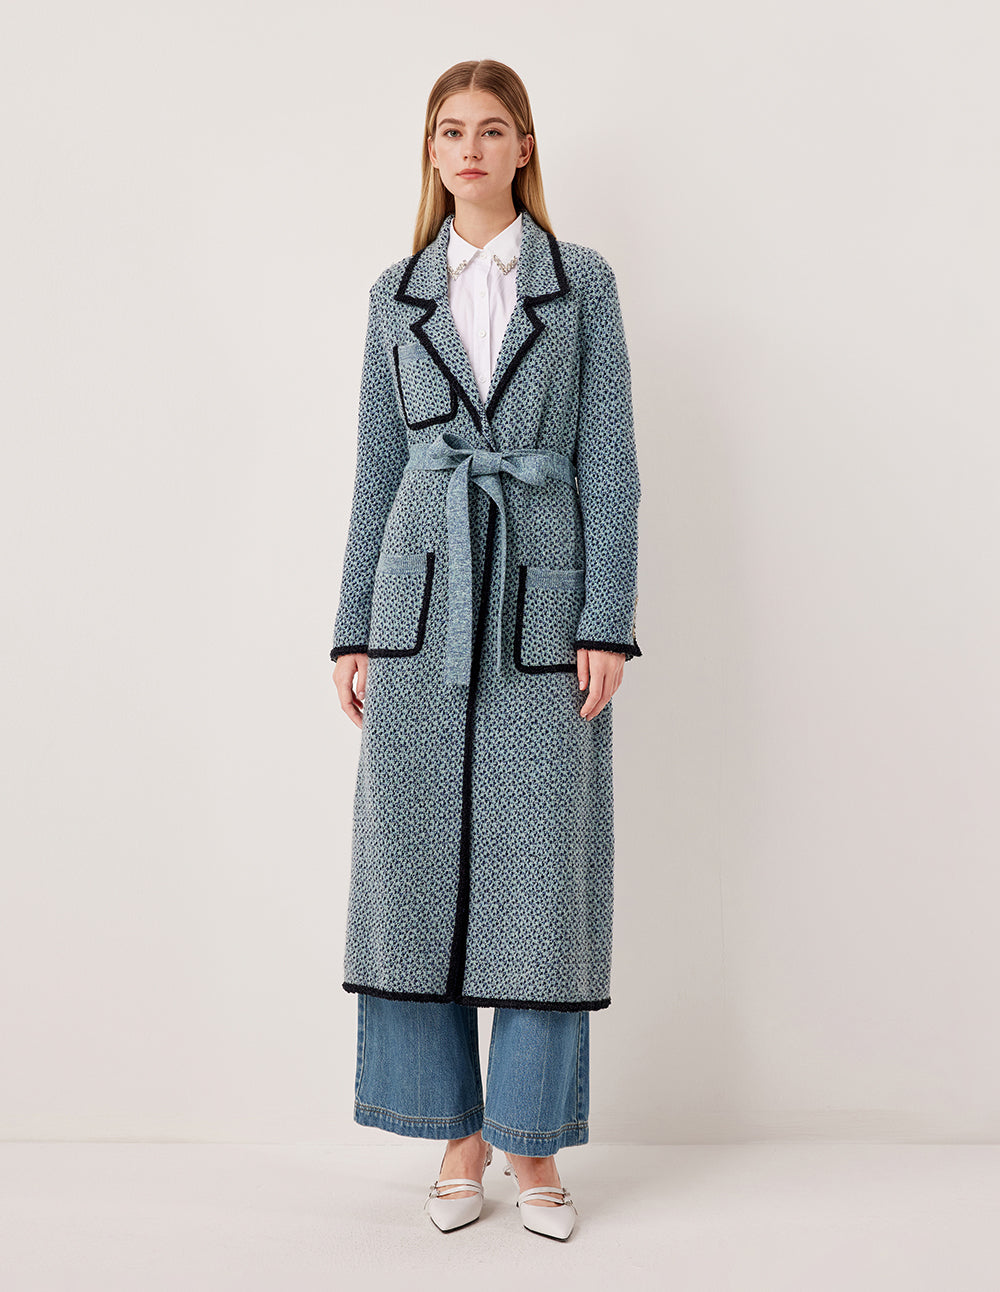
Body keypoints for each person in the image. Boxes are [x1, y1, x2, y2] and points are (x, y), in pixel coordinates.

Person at [329, 59, 641, 1241]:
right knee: (412, 868)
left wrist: (603, 618)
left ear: (523, 147)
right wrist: (355, 629)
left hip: (539, 611)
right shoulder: (393, 293)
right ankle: (452, 1136)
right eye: (450, 130)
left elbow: (610, 462)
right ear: (431, 150)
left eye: (492, 129)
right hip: (415, 610)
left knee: (541, 876)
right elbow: (375, 471)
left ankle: (533, 1144)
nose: (469, 147)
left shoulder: (581, 282)